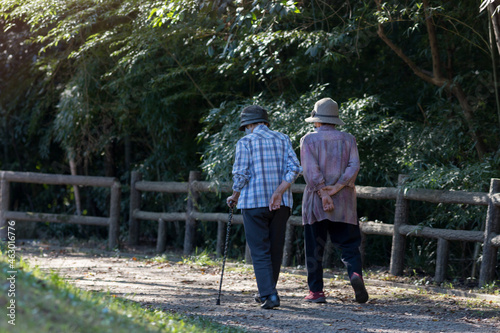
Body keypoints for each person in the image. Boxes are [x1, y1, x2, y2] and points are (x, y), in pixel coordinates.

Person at [226, 105, 302, 309]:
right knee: (275, 249)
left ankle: (270, 294)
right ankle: (266, 292)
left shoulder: (246, 142)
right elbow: (295, 168)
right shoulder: (283, 138)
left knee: (259, 250)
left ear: (249, 124)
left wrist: (234, 195)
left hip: (253, 203)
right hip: (282, 203)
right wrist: (279, 192)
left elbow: (241, 175)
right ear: (266, 122)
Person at [299, 97, 368, 304]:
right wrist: (337, 188)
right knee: (349, 245)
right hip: (345, 202)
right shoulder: (349, 139)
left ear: (317, 121)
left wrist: (323, 193)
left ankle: (316, 292)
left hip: (315, 203)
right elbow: (354, 166)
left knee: (314, 246)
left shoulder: (308, 139)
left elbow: (310, 169)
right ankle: (355, 274)